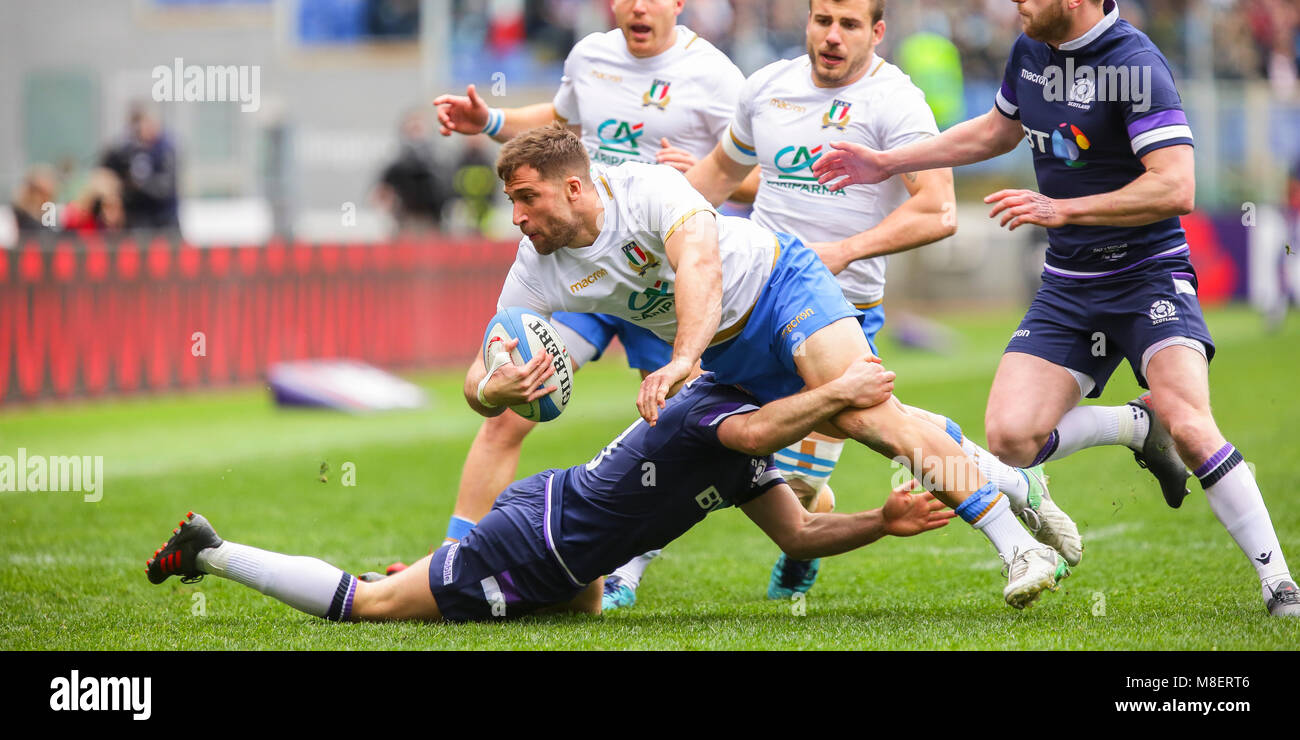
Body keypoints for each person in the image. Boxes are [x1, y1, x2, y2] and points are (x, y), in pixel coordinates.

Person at [809, 0, 1299, 617]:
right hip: (1070, 286)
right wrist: (888, 162)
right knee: (1012, 439)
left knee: (1192, 423)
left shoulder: (1136, 65)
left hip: (1148, 275)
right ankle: (1136, 426)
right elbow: (997, 129)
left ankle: (1280, 582)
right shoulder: (1032, 50)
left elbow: (1176, 186)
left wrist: (1067, 210)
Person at [467, 124, 1075, 609]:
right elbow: (481, 371)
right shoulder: (535, 267)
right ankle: (1014, 481)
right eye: (512, 201)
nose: (517, 216)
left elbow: (701, 269)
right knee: (846, 421)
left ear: (574, 188)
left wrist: (682, 360)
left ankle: (1020, 550)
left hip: (781, 283)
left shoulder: (646, 190)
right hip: (731, 352)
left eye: (527, 198)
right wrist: (494, 390)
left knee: (865, 417)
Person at [685, 0, 1064, 601]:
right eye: (822, 20)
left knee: (865, 428)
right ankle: (1000, 479)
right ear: (808, 20)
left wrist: (841, 252)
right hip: (754, 303)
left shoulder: (895, 101)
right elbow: (719, 177)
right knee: (786, 476)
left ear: (877, 32)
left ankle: (1008, 514)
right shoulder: (766, 89)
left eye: (849, 25)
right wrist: (648, 218)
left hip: (840, 305)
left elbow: (937, 210)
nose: (832, 36)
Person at [430, 0, 754, 596]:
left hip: (658, 274)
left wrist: (702, 178)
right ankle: (451, 560)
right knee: (507, 409)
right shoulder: (590, 57)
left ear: (679, 2)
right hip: (579, 264)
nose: (639, 5)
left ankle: (630, 566)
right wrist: (489, 121)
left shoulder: (716, 76)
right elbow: (557, 125)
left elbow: (761, 177)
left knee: (670, 429)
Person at [145, 363, 954, 622]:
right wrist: (842, 388)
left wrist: (882, 520)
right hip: (538, 539)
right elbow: (754, 435)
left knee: (587, 613)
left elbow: (801, 539)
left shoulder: (753, 452)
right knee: (372, 607)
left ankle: (433, 571)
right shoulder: (717, 411)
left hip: (572, 551)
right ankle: (212, 552)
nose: (849, 420)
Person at [100, 105, 179, 230]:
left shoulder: (165, 151)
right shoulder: (126, 150)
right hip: (137, 222)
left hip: (164, 222)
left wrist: (139, 185)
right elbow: (105, 170)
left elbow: (164, 188)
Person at [374, 109, 450, 231]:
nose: (416, 134)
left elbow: (449, 190)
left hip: (433, 223)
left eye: (419, 128)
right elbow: (380, 193)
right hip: (405, 222)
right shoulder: (396, 164)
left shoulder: (440, 162)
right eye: (412, 128)